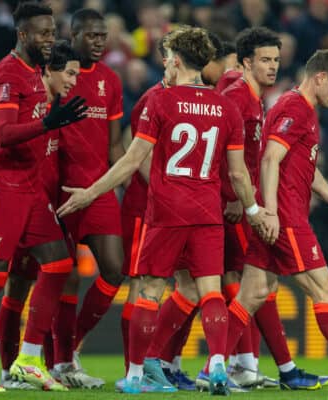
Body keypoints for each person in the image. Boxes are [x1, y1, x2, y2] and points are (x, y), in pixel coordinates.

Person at [58, 26, 271, 395]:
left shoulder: (161, 101)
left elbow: (130, 160)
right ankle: (218, 365)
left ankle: (137, 375)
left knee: (150, 291)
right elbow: (237, 173)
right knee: (211, 293)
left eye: (167, 60)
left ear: (174, 60)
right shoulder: (226, 106)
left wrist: (90, 193)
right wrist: (253, 211)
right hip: (207, 212)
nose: (165, 67)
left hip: (167, 211)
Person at [225, 49, 328, 394]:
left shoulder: (303, 109)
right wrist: (272, 213)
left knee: (253, 294)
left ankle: (214, 368)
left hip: (280, 216)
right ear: (320, 77)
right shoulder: (294, 107)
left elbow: (304, 168)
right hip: (287, 219)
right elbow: (269, 160)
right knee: (327, 290)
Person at [0, 2, 86, 393]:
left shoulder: (33, 72)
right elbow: (5, 134)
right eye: (43, 33)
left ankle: (29, 359)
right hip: (0, 182)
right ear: (24, 35)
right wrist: (48, 122)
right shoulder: (8, 75)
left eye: (52, 32)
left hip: (28, 187)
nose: (50, 39)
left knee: (60, 264)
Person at [0, 39, 93, 390]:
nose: (72, 81)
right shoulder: (33, 108)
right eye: (68, 73)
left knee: (31, 280)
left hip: (45, 205)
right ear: (48, 71)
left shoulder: (59, 108)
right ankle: (19, 364)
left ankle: (22, 365)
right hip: (22, 201)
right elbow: (5, 140)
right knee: (20, 284)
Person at [119, 30, 196, 392]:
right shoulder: (153, 99)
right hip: (150, 207)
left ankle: (160, 362)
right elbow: (136, 154)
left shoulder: (192, 99)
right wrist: (168, 192)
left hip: (183, 208)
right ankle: (135, 367)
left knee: (189, 288)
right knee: (144, 287)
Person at [50, 8, 126, 377]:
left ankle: (70, 343)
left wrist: (126, 183)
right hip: (61, 188)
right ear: (74, 33)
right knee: (66, 275)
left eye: (103, 35)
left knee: (114, 269)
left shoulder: (110, 80)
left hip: (98, 187)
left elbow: (114, 146)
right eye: (92, 35)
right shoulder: (56, 73)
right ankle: (57, 359)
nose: (99, 41)